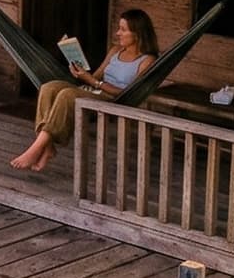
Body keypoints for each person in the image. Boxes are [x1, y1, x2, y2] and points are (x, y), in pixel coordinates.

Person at [11, 9, 158, 173]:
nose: (118, 33)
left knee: (67, 95)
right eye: (119, 28)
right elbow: (96, 75)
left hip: (114, 98)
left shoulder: (148, 60)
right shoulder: (116, 51)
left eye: (123, 30)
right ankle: (48, 146)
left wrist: (93, 81)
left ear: (137, 33)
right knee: (49, 87)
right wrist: (80, 73)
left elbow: (129, 93)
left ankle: (35, 149)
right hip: (94, 88)